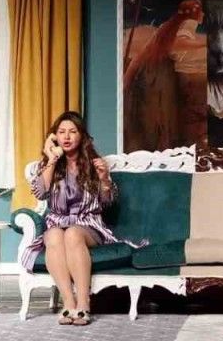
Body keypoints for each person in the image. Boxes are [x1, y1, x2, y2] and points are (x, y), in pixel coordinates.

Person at [18, 111, 144, 325]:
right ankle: (69, 302)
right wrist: (52, 158)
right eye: (61, 132)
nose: (66, 137)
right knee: (54, 235)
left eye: (72, 132)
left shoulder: (93, 164)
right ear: (54, 137)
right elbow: (40, 193)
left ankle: (84, 302)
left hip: (87, 224)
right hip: (57, 222)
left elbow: (107, 203)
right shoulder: (48, 165)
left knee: (73, 234)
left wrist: (104, 180)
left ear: (82, 136)